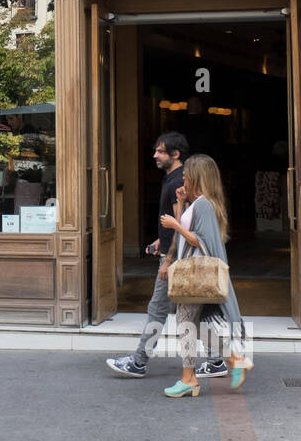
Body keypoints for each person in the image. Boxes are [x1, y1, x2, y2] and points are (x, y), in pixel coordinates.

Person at [106, 132, 226, 379]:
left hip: (177, 259)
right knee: (194, 311)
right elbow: (180, 221)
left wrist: (168, 260)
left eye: (160, 151)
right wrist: (162, 238)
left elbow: (182, 226)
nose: (155, 155)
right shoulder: (175, 180)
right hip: (177, 254)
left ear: (175, 154)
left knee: (158, 309)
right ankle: (216, 360)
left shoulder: (175, 183)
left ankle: (139, 361)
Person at [158, 154, 252, 397]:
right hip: (193, 274)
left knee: (186, 323)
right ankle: (232, 360)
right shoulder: (198, 202)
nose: (184, 177)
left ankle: (189, 378)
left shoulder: (204, 205)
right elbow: (186, 236)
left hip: (197, 276)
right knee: (191, 324)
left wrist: (174, 225)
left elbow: (201, 241)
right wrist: (179, 207)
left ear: (198, 176)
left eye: (188, 173)